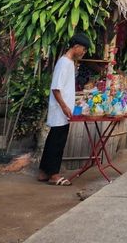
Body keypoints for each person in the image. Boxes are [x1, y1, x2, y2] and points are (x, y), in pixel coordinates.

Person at [38, 33, 91, 186]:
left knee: (53, 140)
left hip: (62, 110)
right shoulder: (64, 63)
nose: (83, 52)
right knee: (57, 142)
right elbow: (56, 88)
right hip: (61, 111)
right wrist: (65, 107)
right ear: (76, 47)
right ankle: (54, 175)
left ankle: (43, 172)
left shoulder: (68, 63)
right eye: (83, 49)